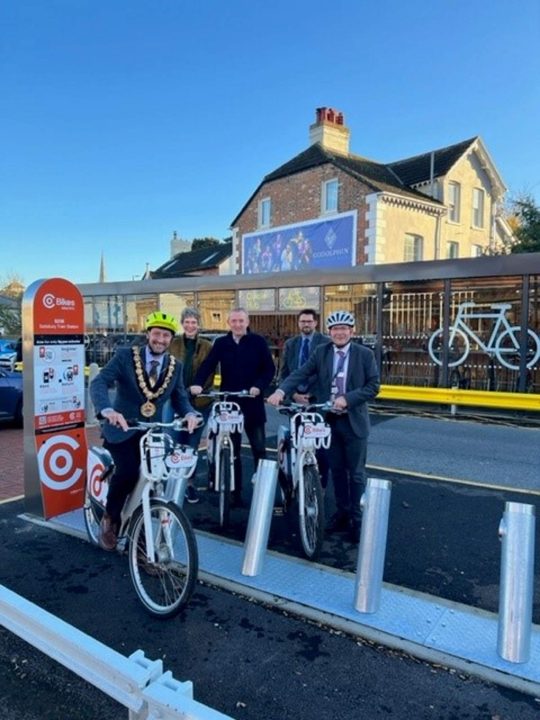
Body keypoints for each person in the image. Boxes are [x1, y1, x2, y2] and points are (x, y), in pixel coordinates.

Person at [267, 310, 380, 544]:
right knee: (337, 470)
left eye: (344, 329)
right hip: (328, 421)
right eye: (335, 329)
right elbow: (301, 373)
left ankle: (357, 521)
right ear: (329, 332)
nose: (339, 333)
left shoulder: (364, 354)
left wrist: (348, 398)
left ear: (352, 331)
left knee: (356, 474)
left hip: (354, 422)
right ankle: (342, 513)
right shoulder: (322, 352)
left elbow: (373, 386)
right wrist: (281, 390)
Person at [90, 311, 200, 551]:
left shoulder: (175, 366)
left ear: (171, 339)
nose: (160, 339)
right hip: (121, 429)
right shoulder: (124, 356)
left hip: (152, 433)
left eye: (166, 336)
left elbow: (180, 397)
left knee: (153, 479)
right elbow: (99, 381)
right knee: (128, 472)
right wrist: (107, 410)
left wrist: (190, 413)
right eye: (157, 333)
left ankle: (143, 537)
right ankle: (111, 518)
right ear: (148, 334)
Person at [190, 307, 276, 507]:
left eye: (241, 321)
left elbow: (269, 369)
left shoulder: (258, 342)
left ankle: (264, 491)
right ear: (228, 323)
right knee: (232, 451)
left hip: (252, 402)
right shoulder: (221, 343)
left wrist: (259, 386)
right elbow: (208, 365)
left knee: (259, 449)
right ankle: (235, 494)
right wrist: (198, 383)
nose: (237, 324)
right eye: (234, 321)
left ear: (247, 322)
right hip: (230, 404)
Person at [279, 308, 330, 487]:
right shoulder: (291, 344)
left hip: (317, 402)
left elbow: (328, 375)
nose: (306, 324)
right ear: (298, 323)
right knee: (297, 443)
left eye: (309, 321)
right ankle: (298, 482)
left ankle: (319, 487)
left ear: (315, 323)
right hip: (295, 401)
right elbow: (284, 374)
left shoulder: (326, 343)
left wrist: (312, 396)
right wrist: (292, 394)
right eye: (303, 321)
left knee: (320, 447)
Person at [169, 307, 215, 503]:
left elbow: (210, 372)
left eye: (193, 322)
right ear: (182, 323)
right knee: (173, 441)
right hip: (174, 400)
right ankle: (171, 483)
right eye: (187, 322)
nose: (190, 325)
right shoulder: (173, 343)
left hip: (199, 401)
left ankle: (189, 484)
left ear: (199, 324)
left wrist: (199, 388)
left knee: (192, 444)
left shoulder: (206, 346)